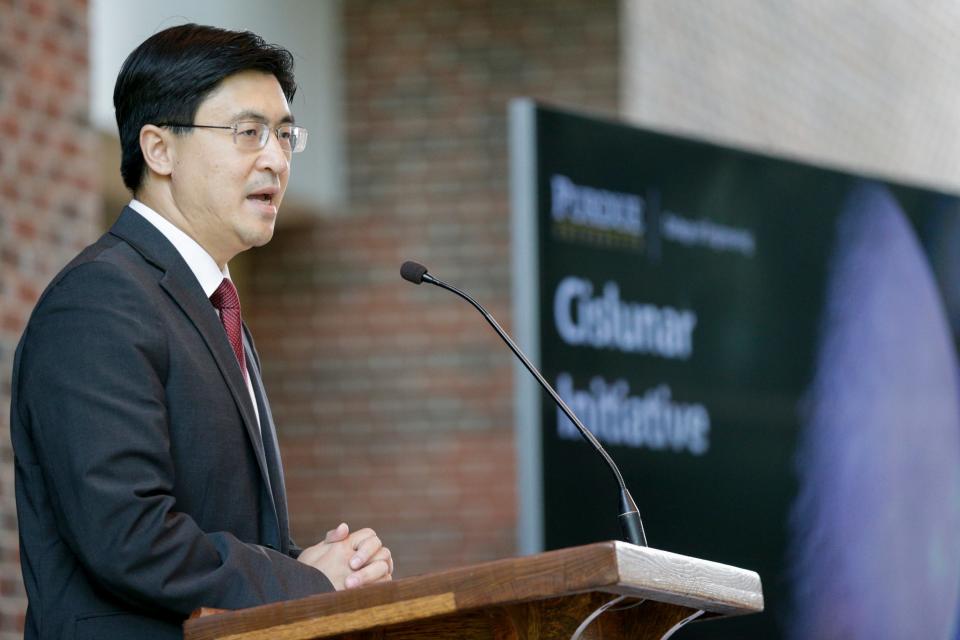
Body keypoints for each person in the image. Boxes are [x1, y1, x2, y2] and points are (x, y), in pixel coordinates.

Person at [10, 23, 392, 639]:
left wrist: (325, 567)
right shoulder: (100, 300)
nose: (275, 157)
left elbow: (225, 534)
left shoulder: (212, 304)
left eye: (285, 135)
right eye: (247, 133)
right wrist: (303, 582)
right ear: (159, 150)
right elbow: (128, 535)